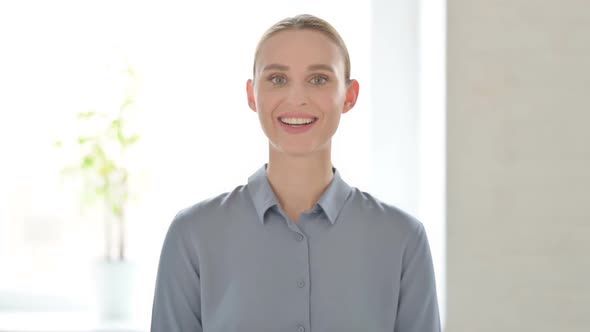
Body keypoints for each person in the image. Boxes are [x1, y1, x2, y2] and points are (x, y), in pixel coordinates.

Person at [151, 14, 441, 332]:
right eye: (277, 79)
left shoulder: (403, 239)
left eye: (318, 79)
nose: (297, 98)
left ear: (350, 95)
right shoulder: (192, 234)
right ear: (252, 95)